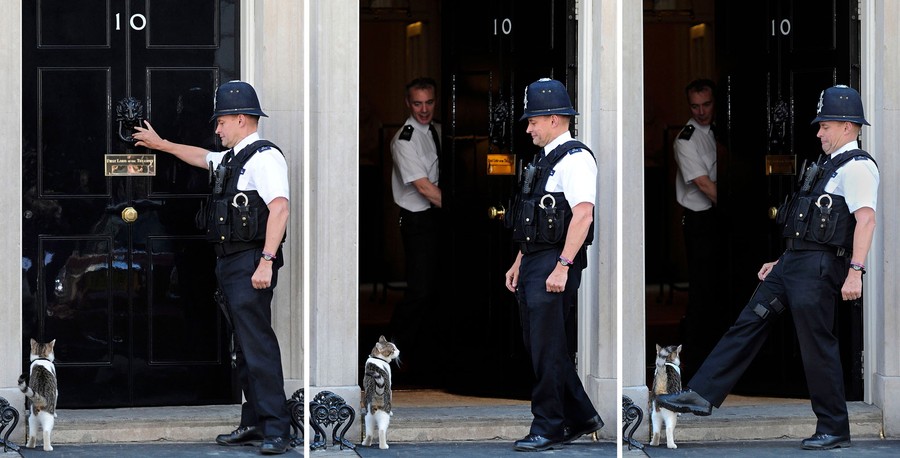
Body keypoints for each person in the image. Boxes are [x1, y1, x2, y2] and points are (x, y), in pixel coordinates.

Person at [657, 85, 879, 451]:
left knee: (817, 346)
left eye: (825, 125)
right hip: (794, 263)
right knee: (747, 322)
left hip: (820, 268)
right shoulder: (827, 165)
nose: (819, 132)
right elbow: (809, 223)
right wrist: (782, 260)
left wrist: (856, 271)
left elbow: (866, 221)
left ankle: (834, 427)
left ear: (846, 126)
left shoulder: (857, 168)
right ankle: (702, 393)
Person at [133, 80, 292, 455]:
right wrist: (162, 145)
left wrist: (266, 261)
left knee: (258, 347)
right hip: (231, 264)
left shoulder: (264, 158)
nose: (216, 129)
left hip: (251, 262)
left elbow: (280, 208)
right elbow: (202, 157)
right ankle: (253, 422)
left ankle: (277, 429)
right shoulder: (236, 156)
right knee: (243, 347)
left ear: (241, 119)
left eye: (221, 122)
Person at [504, 78, 603, 452]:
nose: (528, 128)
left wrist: (563, 266)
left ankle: (548, 426)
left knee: (546, 349)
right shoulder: (545, 160)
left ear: (555, 119)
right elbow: (530, 219)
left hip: (554, 263)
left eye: (533, 121)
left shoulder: (576, 159)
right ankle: (580, 417)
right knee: (545, 347)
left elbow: (582, 217)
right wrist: (519, 262)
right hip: (535, 261)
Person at [388, 77, 442, 373]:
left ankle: (426, 356)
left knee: (437, 289)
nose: (424, 110)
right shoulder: (404, 140)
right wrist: (462, 210)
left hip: (436, 219)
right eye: (418, 103)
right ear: (408, 103)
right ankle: (387, 357)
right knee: (419, 291)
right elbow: (424, 188)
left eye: (429, 102)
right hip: (418, 222)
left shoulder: (437, 131)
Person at [672, 78, 724, 377]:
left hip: (718, 220)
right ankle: (696, 363)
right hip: (701, 220)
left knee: (721, 288)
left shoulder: (719, 132)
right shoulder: (686, 139)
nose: (702, 111)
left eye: (706, 105)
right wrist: (736, 210)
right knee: (702, 291)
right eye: (695, 106)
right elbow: (704, 184)